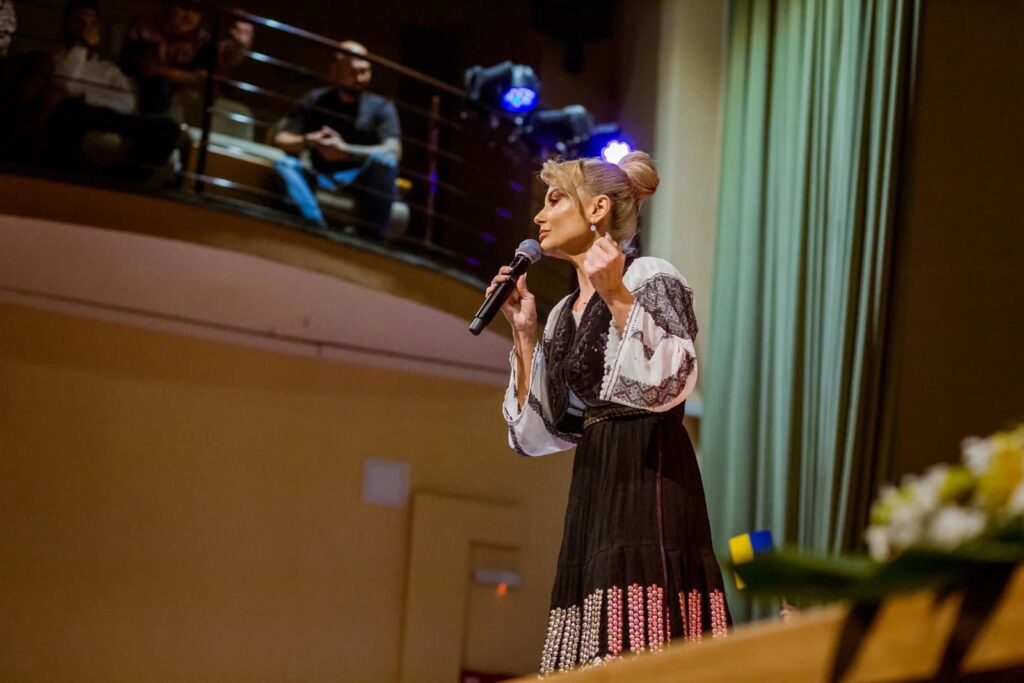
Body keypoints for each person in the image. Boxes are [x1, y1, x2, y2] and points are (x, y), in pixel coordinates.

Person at [489, 152, 732, 673]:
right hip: (596, 479)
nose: (540, 216)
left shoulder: (648, 275)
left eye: (555, 200)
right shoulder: (562, 313)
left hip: (649, 469)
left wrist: (617, 293)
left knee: (643, 631)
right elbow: (542, 434)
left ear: (597, 209)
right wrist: (525, 334)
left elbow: (673, 378)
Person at [272, 40, 401, 235]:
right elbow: (281, 139)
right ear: (335, 70)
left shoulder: (382, 106)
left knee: (386, 160)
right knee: (284, 165)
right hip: (319, 174)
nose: (361, 78)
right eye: (354, 71)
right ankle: (318, 229)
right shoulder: (316, 99)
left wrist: (345, 150)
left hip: (358, 179)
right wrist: (310, 140)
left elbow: (393, 150)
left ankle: (371, 240)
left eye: (366, 71)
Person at [47, 0, 180, 172]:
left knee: (167, 127)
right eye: (80, 20)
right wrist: (81, 44)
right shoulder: (57, 60)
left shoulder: (108, 69)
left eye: (92, 22)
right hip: (78, 117)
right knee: (70, 109)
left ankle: (128, 178)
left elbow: (127, 103)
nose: (86, 26)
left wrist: (87, 96)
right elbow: (67, 84)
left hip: (112, 119)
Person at [119, 0, 253, 116]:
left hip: (180, 109)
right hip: (133, 100)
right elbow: (147, 68)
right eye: (184, 7)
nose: (189, 16)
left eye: (196, 11)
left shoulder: (201, 39)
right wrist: (188, 76)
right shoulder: (144, 27)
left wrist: (240, 46)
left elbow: (225, 58)